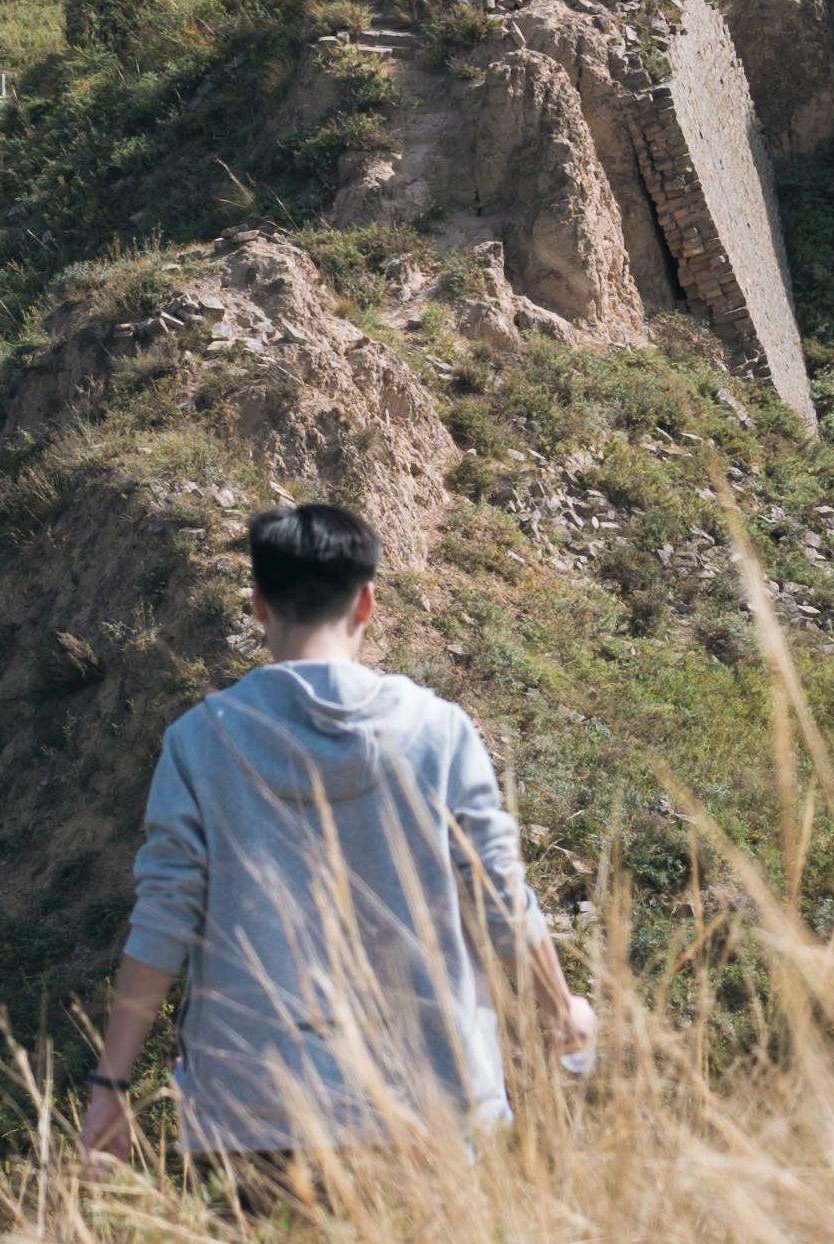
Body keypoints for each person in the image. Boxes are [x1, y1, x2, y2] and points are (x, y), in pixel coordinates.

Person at [81, 501, 585, 1171]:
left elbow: (163, 919)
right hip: (429, 1109)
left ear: (258, 604)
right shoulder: (439, 733)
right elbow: (498, 893)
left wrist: (111, 1085)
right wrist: (562, 1015)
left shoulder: (200, 743)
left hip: (252, 1113)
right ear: (368, 603)